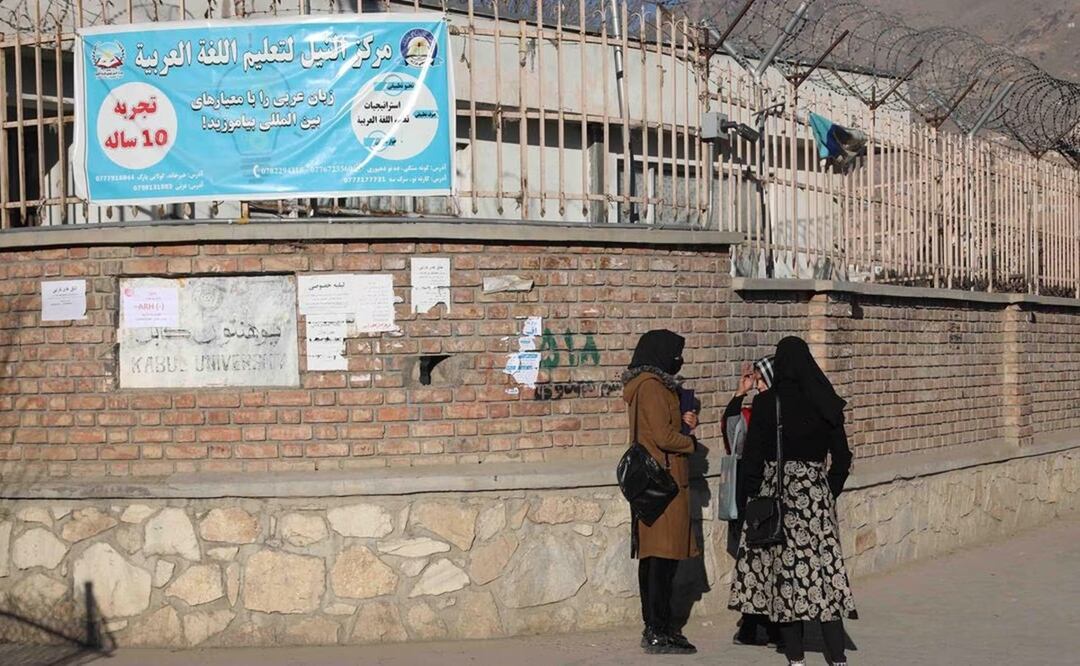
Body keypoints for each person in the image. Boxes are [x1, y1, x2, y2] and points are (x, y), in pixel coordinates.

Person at [729, 337, 857, 666]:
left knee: (784, 578)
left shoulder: (767, 402)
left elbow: (753, 457)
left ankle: (796, 659)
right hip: (815, 499)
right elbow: (842, 458)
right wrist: (826, 490)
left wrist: (754, 497)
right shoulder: (825, 400)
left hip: (777, 497)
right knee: (825, 575)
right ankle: (838, 658)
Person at [622, 329, 700, 655]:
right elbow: (663, 437)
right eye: (675, 353)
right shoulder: (652, 388)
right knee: (661, 561)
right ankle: (657, 630)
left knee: (657, 559)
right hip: (663, 484)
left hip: (659, 482)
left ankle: (659, 627)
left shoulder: (648, 386)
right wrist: (690, 440)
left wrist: (686, 422)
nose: (678, 360)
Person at [722, 356, 782, 649]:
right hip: (755, 496)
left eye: (759, 380)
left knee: (763, 564)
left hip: (766, 497)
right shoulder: (756, 409)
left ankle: (765, 627)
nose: (756, 385)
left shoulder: (774, 409)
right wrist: (739, 393)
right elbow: (733, 434)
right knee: (756, 563)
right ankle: (755, 626)